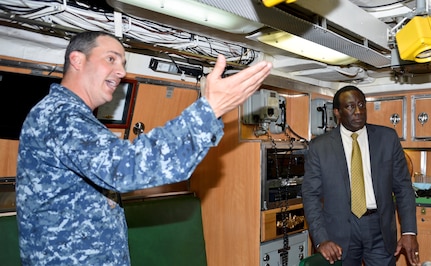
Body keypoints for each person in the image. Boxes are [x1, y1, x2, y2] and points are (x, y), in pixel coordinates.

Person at [15, 31, 272, 265]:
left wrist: (209, 110)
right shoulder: (61, 116)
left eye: (123, 64)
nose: (120, 71)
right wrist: (209, 109)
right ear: (77, 60)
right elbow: (127, 167)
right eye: (111, 59)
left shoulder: (75, 118)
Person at [302, 85, 420, 266]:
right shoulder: (319, 147)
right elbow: (311, 196)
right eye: (350, 107)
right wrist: (321, 239)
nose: (358, 111)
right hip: (339, 233)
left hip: (379, 229)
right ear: (337, 112)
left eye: (361, 105)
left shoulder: (387, 138)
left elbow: (403, 188)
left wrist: (409, 232)